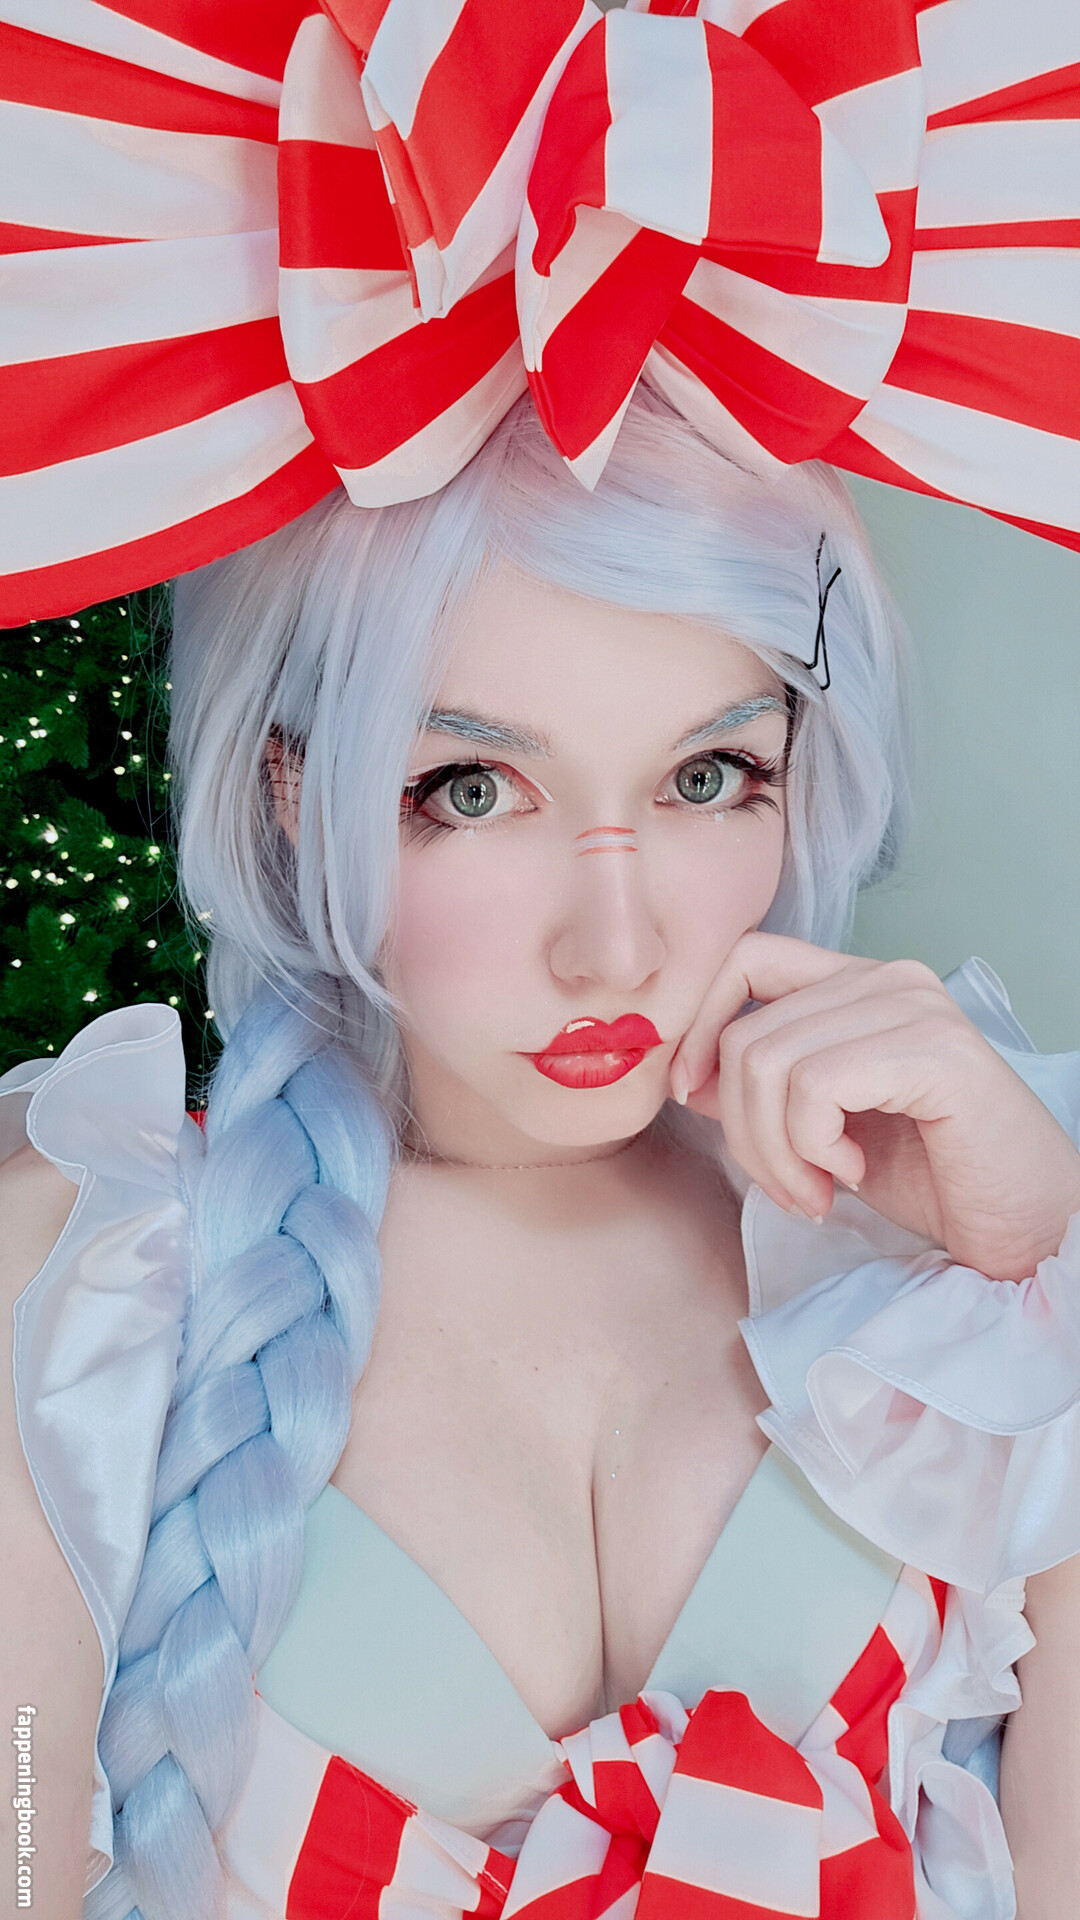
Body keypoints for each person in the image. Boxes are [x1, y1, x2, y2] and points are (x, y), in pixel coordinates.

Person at [5, 383, 1080, 1920]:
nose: (616, 945)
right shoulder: (87, 1287)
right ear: (291, 790)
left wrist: (1043, 1264)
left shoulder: (946, 1248)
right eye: (474, 791)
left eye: (707, 779)